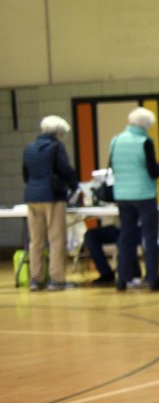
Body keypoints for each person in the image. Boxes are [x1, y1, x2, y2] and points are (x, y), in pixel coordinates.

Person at [109, 107, 159, 292]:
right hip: (144, 194)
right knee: (149, 237)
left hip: (122, 195)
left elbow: (114, 165)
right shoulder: (145, 141)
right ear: (146, 125)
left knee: (126, 236)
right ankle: (153, 278)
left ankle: (122, 279)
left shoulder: (115, 140)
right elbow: (152, 170)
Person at [21, 115, 78, 291]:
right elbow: (65, 169)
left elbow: (25, 173)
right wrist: (74, 185)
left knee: (36, 241)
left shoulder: (29, 148)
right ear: (58, 133)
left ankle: (35, 280)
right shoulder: (56, 147)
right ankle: (57, 280)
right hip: (52, 197)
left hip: (31, 197)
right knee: (56, 239)